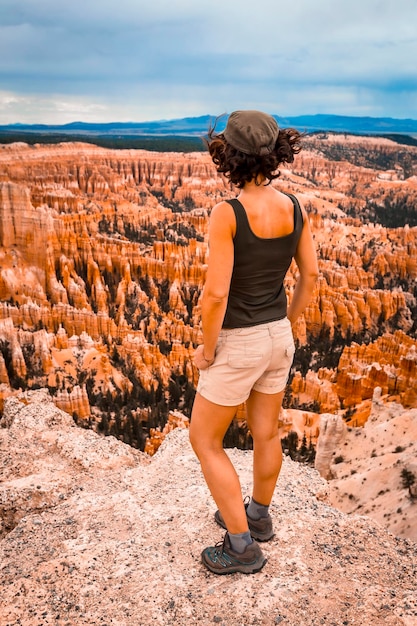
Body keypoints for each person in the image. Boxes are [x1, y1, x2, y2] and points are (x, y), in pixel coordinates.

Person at [189, 110, 319, 575]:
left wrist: (207, 350)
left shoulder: (229, 213)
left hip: (239, 340)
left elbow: (217, 293)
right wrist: (288, 322)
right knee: (265, 432)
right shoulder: (294, 207)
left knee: (204, 438)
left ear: (231, 157)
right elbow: (312, 275)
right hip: (277, 336)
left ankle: (242, 547)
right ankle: (258, 517)